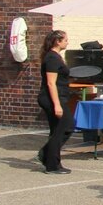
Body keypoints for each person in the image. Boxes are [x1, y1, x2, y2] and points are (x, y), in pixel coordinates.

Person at [36, 29, 73, 175]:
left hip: (60, 97)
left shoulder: (56, 57)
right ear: (58, 41)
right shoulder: (52, 58)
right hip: (52, 99)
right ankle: (50, 162)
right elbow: (51, 83)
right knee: (66, 126)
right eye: (65, 39)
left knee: (57, 130)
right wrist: (57, 105)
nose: (67, 42)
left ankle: (51, 159)